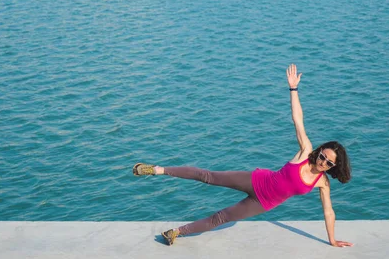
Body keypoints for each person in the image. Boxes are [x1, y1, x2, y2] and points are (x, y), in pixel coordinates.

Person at [133, 64, 353, 248]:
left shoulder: (322, 183)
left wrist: (332, 240)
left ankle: (175, 233)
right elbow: (298, 119)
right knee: (207, 176)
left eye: (328, 162)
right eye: (323, 156)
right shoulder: (306, 151)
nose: (323, 162)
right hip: (257, 179)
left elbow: (328, 211)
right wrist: (293, 89)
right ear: (320, 151)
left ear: (333, 167)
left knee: (221, 217)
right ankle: (156, 169)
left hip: (263, 202)